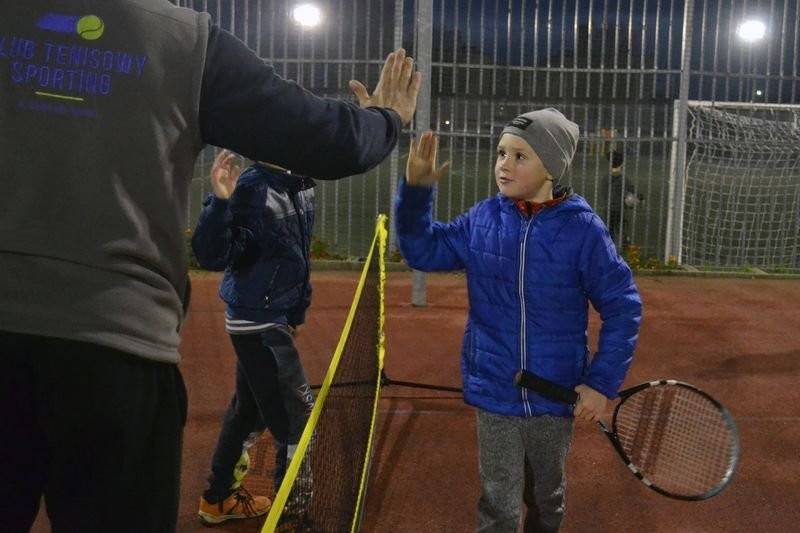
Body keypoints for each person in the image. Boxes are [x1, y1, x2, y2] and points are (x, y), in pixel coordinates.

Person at [0, 1, 420, 531]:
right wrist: (386, 118)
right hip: (117, 348)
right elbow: (326, 137)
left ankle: (224, 488)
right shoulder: (183, 40)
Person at [394, 109, 642, 532]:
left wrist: (601, 383)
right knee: (499, 504)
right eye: (501, 153)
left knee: (547, 497)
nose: (504, 165)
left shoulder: (584, 230)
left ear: (552, 168)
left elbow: (623, 306)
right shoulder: (483, 219)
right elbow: (422, 251)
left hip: (554, 396)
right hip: (496, 390)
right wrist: (416, 192)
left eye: (520, 156)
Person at [191, 150, 317, 524]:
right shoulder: (252, 187)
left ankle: (218, 499)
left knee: (249, 411)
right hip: (256, 322)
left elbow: (299, 254)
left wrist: (296, 311)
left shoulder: (302, 183)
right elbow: (213, 256)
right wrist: (220, 203)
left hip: (273, 317)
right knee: (296, 423)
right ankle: (290, 518)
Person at [603, 149, 645, 249]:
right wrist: (641, 198)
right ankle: (626, 246)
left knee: (609, 231)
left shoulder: (605, 178)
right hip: (619, 209)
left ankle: (609, 249)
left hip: (608, 209)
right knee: (622, 229)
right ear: (621, 164)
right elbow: (633, 189)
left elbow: (604, 194)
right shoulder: (623, 178)